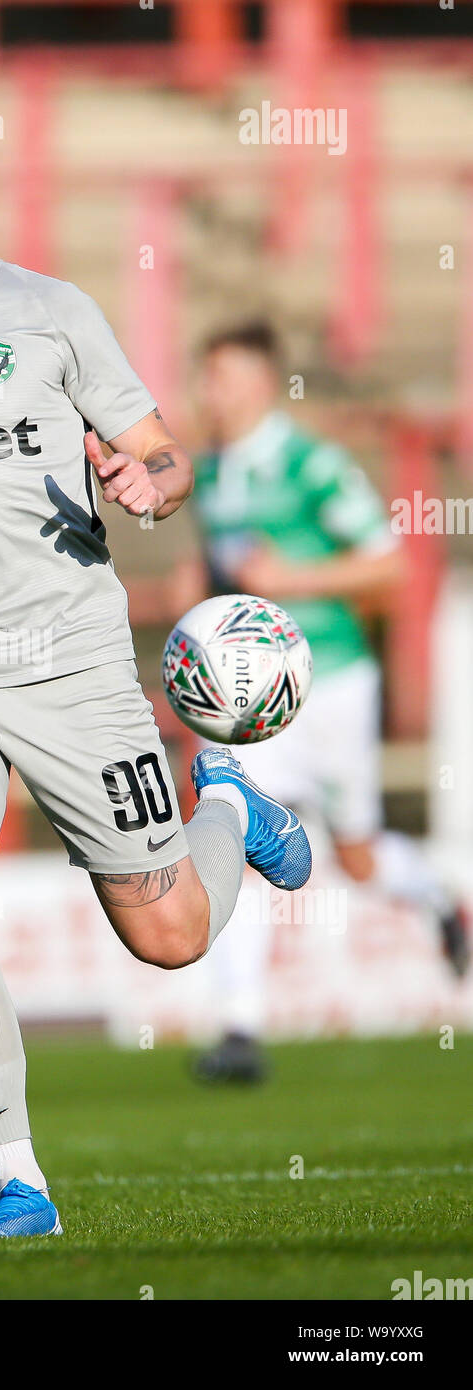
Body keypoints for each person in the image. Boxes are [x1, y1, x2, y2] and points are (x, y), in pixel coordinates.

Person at [0, 100, 311, 1236]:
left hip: (70, 660)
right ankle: (18, 1177)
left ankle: (224, 801)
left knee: (169, 935)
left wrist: (150, 487)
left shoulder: (48, 311)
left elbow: (162, 454)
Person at [177, 322, 469, 1084]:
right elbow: (219, 572)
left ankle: (440, 896)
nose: (218, 392)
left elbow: (390, 569)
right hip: (252, 702)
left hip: (331, 678)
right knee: (235, 831)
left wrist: (291, 582)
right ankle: (239, 1030)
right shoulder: (208, 475)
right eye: (210, 376)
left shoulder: (312, 464)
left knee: (358, 855)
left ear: (267, 382)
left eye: (231, 376)